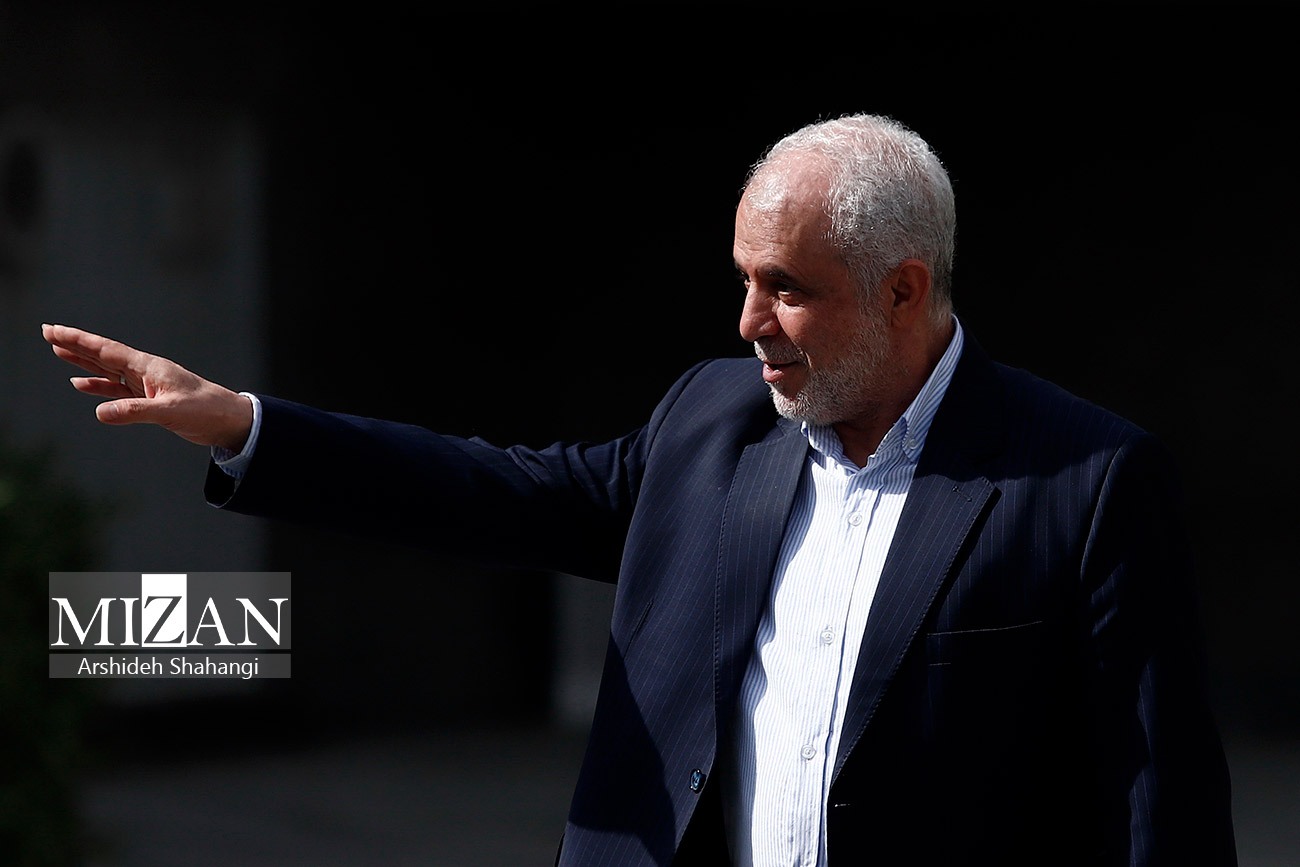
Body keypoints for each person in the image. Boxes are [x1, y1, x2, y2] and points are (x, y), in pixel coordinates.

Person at [43, 113, 1237, 866]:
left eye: (786, 288)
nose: (748, 322)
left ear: (903, 291)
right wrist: (245, 425)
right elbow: (489, 493)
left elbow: (1161, 808)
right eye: (743, 279)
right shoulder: (709, 424)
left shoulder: (1083, 481)